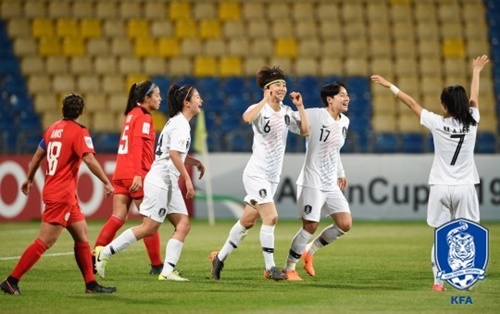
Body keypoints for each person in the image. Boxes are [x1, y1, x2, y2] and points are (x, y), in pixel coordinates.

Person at [371, 54, 489, 291]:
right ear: (464, 104)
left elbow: (412, 103)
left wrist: (390, 86)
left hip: (440, 187)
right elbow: (475, 98)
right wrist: (476, 72)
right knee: (466, 235)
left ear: (444, 105)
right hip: (465, 186)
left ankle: (438, 281)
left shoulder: (436, 122)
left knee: (441, 234)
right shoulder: (473, 120)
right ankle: (465, 281)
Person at [0, 94, 116, 295]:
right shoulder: (80, 132)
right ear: (82, 112)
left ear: (62, 110)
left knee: (82, 235)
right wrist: (106, 181)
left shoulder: (52, 130)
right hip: (61, 195)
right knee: (45, 241)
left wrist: (28, 178)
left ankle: (90, 284)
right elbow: (88, 159)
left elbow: (37, 156)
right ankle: (11, 281)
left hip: (63, 194)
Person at [95, 84, 205, 281]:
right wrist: (188, 179)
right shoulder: (180, 125)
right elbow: (172, 154)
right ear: (186, 103)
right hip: (161, 180)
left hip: (167, 179)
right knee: (149, 227)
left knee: (183, 224)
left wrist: (194, 162)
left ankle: (167, 270)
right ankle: (104, 253)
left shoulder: (177, 122)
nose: (201, 101)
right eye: (197, 97)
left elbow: (173, 153)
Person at [210, 66, 310, 281]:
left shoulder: (285, 112)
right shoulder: (259, 109)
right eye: (278, 85)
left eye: (284, 84)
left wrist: (300, 107)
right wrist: (264, 100)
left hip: (272, 177)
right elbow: (247, 118)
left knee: (247, 221)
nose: (282, 88)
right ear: (267, 88)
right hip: (256, 173)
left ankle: (219, 258)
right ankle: (270, 268)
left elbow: (305, 131)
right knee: (271, 217)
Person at [281, 82, 352, 281]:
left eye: (347, 95)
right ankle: (288, 268)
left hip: (330, 183)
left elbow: (335, 150)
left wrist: (341, 172)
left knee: (345, 224)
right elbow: (291, 120)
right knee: (310, 226)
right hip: (312, 180)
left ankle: (309, 252)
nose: (347, 98)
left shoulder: (344, 121)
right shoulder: (315, 114)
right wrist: (298, 106)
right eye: (342, 95)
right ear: (330, 100)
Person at [93, 80, 163, 275]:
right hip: (136, 174)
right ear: (146, 98)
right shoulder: (144, 117)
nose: (160, 98)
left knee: (117, 217)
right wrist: (138, 175)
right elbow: (137, 145)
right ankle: (157, 265)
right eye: (156, 95)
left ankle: (95, 254)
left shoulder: (131, 114)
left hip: (121, 172)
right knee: (150, 221)